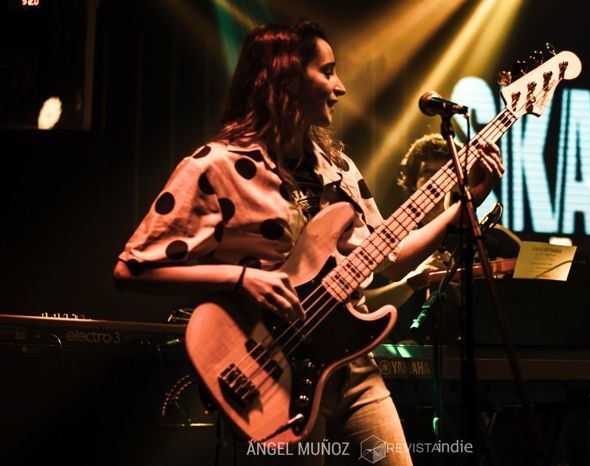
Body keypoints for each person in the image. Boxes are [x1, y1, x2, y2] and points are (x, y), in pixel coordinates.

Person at [113, 20, 502, 465]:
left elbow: (390, 257)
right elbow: (132, 268)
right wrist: (241, 278)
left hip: (351, 365)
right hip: (270, 371)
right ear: (287, 79)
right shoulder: (215, 167)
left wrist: (464, 205)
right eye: (327, 71)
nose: (340, 87)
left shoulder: (338, 168)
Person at [366, 133, 512, 344]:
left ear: (459, 183)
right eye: (428, 172)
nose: (436, 181)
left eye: (446, 173)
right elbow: (363, 304)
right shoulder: (388, 238)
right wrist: (410, 283)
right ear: (412, 183)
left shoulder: (495, 239)